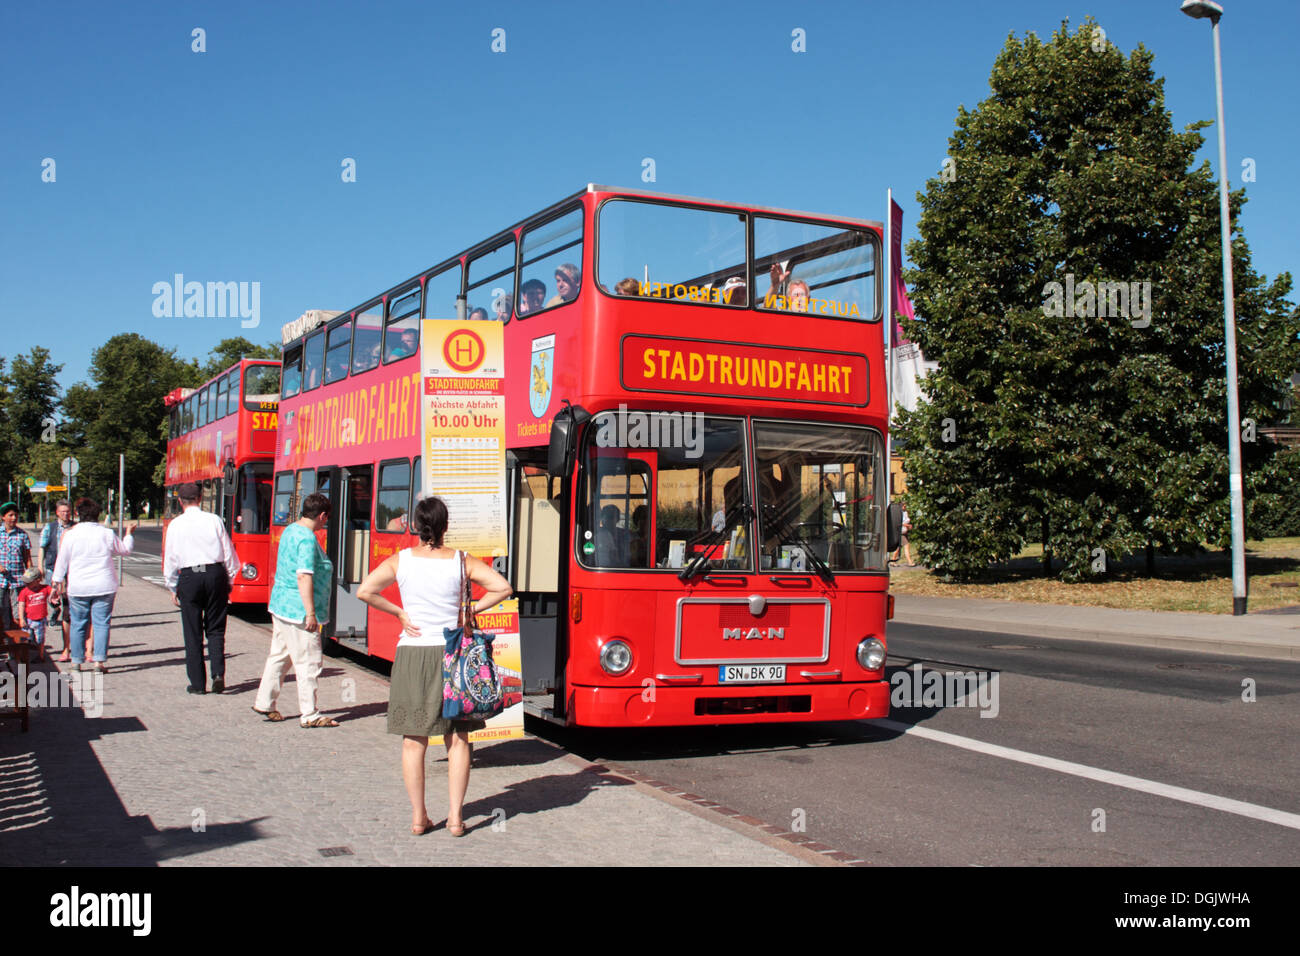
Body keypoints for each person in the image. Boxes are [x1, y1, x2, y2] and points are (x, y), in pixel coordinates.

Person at [357, 496, 512, 837]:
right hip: (452, 653)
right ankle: (456, 818)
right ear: (445, 527)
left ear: (415, 525)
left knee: (414, 740)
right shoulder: (460, 561)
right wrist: (472, 611)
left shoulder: (401, 561)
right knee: (458, 738)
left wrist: (398, 613)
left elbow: (365, 591)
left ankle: (418, 817)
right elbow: (503, 587)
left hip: (413, 653)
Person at [253, 492, 338, 726]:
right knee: (308, 661)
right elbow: (303, 575)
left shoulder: (290, 529)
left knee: (280, 656)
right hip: (298, 611)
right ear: (321, 515)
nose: (325, 522)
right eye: (326, 518)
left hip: (281, 605)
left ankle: (265, 702)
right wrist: (310, 612)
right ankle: (310, 714)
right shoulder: (307, 539)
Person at [163, 482, 241, 694]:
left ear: (180, 502)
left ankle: (197, 683)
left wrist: (172, 586)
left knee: (192, 632)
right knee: (216, 629)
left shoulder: (176, 525)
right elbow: (228, 553)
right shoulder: (214, 520)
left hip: (189, 576)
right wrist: (230, 581)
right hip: (215, 574)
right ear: (199, 498)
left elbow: (170, 559)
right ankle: (218, 674)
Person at [50, 498, 135, 673]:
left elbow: (62, 561)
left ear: (77, 514)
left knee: (78, 624)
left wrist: (56, 584)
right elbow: (125, 550)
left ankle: (76, 662)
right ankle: (99, 662)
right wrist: (128, 534)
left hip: (78, 587)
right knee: (101, 624)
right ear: (99, 515)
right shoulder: (106, 533)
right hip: (104, 585)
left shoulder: (70, 534)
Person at [0, 501, 31, 633]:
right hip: (1, 581)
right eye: (10, 515)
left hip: (17, 581)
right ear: (3, 517)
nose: (14, 518)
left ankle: (17, 647)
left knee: (18, 613)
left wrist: (31, 577)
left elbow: (27, 558)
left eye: (16, 515)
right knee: (2, 612)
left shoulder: (22, 535)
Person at [15, 568, 52, 659]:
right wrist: (21, 618)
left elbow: (53, 593)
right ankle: (23, 656)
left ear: (38, 580)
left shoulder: (45, 588)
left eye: (29, 582)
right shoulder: (24, 592)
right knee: (25, 638)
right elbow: (21, 605)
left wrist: (55, 597)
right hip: (28, 619)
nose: (26, 584)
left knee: (40, 639)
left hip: (40, 619)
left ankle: (40, 655)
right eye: (25, 582)